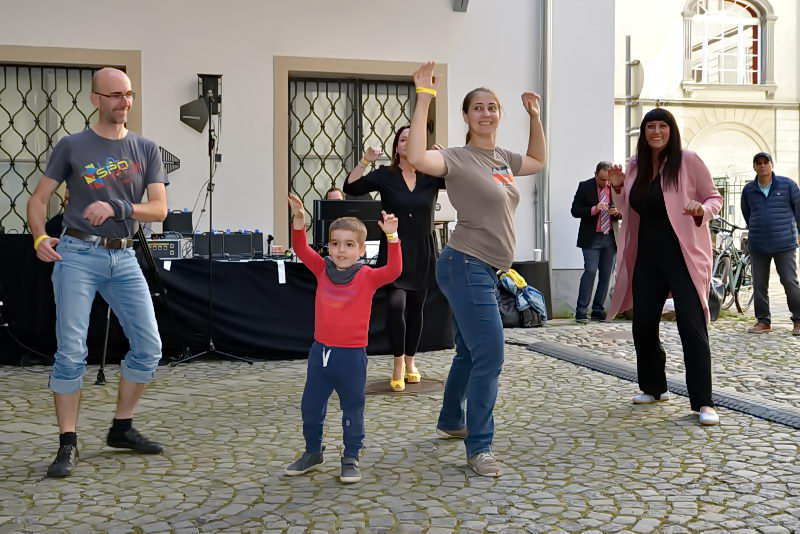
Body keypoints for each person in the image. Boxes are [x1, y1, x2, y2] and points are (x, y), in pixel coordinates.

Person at [26, 67, 168, 478]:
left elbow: (159, 209)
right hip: (77, 254)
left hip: (124, 257)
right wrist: (39, 237)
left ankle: (121, 428)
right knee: (71, 352)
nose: (124, 102)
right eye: (115, 95)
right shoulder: (72, 146)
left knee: (149, 347)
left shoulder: (146, 149)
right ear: (96, 99)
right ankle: (67, 442)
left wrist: (118, 207)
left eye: (129, 94)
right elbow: (38, 199)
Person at [406, 61, 546, 477]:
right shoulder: (457, 158)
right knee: (491, 353)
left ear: (499, 115)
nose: (486, 113)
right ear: (466, 116)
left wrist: (534, 116)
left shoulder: (502, 158)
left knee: (469, 351)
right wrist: (424, 96)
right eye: (478, 108)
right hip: (465, 264)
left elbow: (537, 160)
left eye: (492, 107)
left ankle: (452, 419)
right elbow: (416, 156)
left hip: (487, 269)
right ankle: (479, 446)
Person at [607, 108, 722, 426]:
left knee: (691, 326)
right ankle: (654, 387)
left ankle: (704, 402)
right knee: (642, 324)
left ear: (671, 130)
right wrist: (618, 188)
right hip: (647, 257)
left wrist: (701, 209)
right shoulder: (635, 165)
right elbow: (625, 209)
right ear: (643, 132)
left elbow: (714, 198)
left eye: (662, 126)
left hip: (683, 255)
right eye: (650, 126)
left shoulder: (688, 160)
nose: (656, 131)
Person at [284, 192, 401, 483]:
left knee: (352, 407)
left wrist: (392, 236)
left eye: (349, 244)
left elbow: (394, 270)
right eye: (335, 243)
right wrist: (299, 219)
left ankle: (351, 456)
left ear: (361, 249)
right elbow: (300, 248)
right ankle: (313, 452)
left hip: (351, 356)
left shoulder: (367, 276)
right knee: (311, 407)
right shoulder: (322, 269)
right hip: (320, 353)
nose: (340, 250)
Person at [343, 127, 446, 391]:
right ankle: (398, 363)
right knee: (394, 305)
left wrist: (445, 159)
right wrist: (365, 160)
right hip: (394, 250)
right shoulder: (385, 175)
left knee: (416, 309)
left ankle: (411, 362)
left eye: (413, 140)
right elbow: (350, 187)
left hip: (422, 250)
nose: (408, 143)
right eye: (403, 139)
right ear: (396, 147)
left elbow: (461, 181)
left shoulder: (431, 176)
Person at [740, 152, 800, 336]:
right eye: (758, 163)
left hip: (784, 243)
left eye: (766, 162)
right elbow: (747, 213)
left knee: (789, 281)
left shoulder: (788, 185)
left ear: (771, 164)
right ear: (754, 167)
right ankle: (763, 322)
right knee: (759, 284)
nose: (762, 165)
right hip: (758, 244)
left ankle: (798, 321)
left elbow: (798, 210)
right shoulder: (749, 190)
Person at [571, 161, 622, 323]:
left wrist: (617, 212)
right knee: (591, 271)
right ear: (595, 174)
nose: (605, 183)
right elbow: (575, 210)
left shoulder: (616, 188)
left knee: (606, 275)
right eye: (602, 179)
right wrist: (594, 209)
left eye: (608, 179)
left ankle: (598, 310)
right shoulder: (585, 186)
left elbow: (625, 210)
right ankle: (581, 310)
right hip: (591, 238)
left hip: (610, 238)